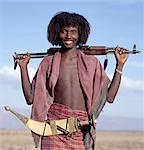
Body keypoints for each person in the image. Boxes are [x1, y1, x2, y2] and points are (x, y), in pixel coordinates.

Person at [18, 11, 128, 150]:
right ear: (57, 33)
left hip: (81, 131)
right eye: (64, 31)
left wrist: (120, 64)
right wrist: (23, 68)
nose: (69, 36)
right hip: (53, 130)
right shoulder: (48, 63)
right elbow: (30, 98)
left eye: (73, 31)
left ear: (80, 34)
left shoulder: (92, 64)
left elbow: (110, 97)